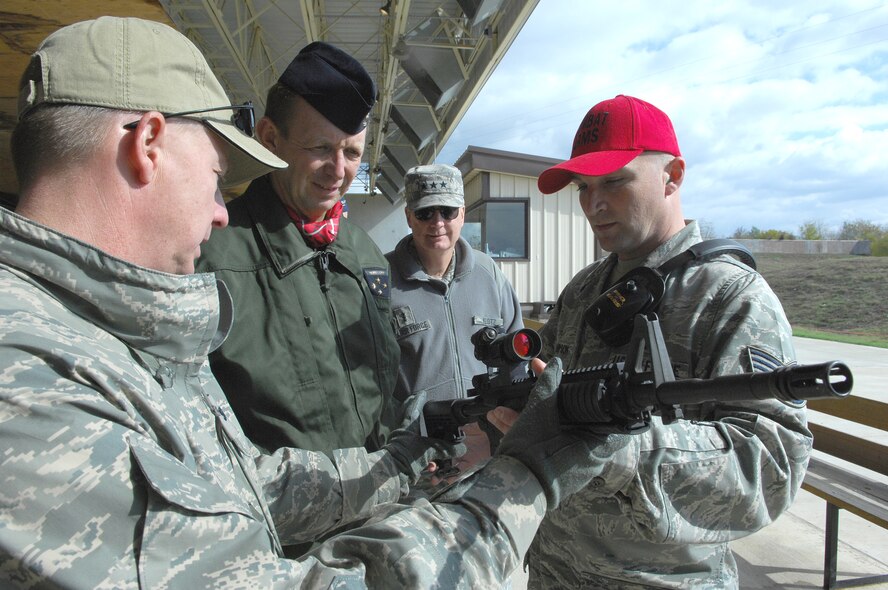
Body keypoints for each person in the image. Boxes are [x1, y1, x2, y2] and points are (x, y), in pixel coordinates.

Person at [0, 16, 633, 588]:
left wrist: (409, 459)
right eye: (218, 174)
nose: (220, 212)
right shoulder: (30, 377)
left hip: (376, 511)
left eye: (352, 153)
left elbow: (245, 482)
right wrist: (527, 476)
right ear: (149, 146)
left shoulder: (98, 335)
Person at [489, 94, 812, 589]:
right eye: (583, 187)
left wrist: (621, 450)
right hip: (554, 571)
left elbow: (769, 468)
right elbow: (543, 400)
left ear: (673, 176)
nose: (592, 205)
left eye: (615, 182)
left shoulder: (728, 295)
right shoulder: (583, 290)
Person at [195, 42, 400, 458]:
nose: (339, 172)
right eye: (321, 148)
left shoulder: (366, 255)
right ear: (270, 138)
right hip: (282, 514)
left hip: (381, 507)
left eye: (352, 153)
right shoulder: (210, 255)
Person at [386, 163, 525, 481]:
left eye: (447, 212)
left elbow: (517, 356)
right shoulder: (380, 280)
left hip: (490, 453)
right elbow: (369, 382)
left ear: (462, 214)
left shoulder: (488, 273)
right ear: (409, 217)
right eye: (425, 213)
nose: (437, 223)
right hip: (421, 459)